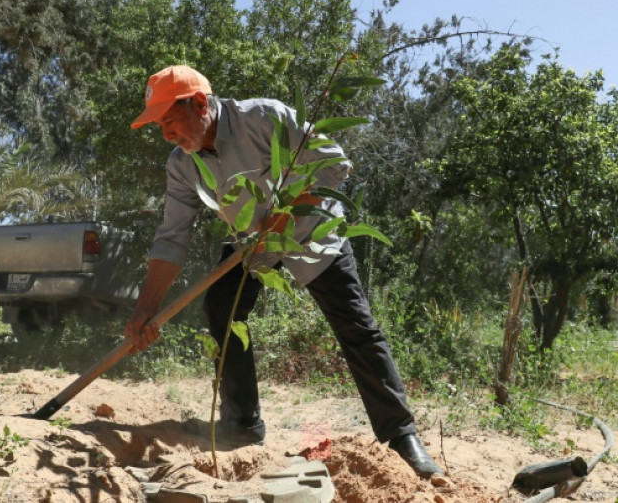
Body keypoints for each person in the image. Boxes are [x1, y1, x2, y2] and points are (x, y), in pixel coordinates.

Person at [125, 65, 443, 479]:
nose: (166, 134)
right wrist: (145, 310)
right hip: (251, 244)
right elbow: (171, 238)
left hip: (311, 229)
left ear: (200, 104)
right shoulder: (181, 165)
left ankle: (402, 437)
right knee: (221, 307)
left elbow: (333, 163)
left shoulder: (264, 118)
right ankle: (242, 424)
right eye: (159, 125)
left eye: (169, 120)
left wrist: (285, 216)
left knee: (355, 326)